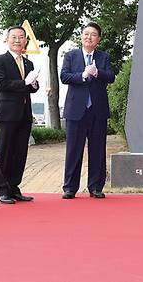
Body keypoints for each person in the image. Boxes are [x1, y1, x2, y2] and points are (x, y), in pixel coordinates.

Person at [60, 22, 115, 199]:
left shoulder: (104, 57)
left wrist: (97, 72)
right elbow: (64, 76)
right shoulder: (71, 56)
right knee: (73, 150)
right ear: (81, 37)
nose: (89, 37)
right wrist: (82, 76)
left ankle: (96, 187)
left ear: (98, 39)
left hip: (97, 110)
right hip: (76, 110)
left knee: (98, 149)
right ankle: (70, 187)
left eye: (93, 34)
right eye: (86, 34)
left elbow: (111, 76)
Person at [0, 26, 39, 204]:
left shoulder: (29, 63)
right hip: (7, 114)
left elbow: (32, 89)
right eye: (14, 37)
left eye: (21, 37)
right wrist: (24, 83)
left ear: (26, 41)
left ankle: (14, 188)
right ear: (7, 39)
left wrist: (33, 84)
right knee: (6, 152)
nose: (17, 40)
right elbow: (2, 84)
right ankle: (2, 190)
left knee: (20, 153)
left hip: (25, 113)